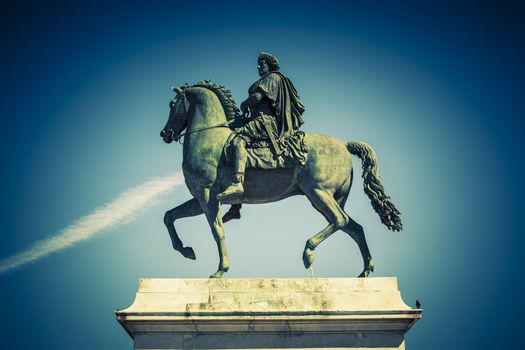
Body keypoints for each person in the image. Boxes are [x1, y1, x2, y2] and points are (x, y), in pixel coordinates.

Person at [217, 52, 306, 201]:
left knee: (238, 140)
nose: (259, 67)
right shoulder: (268, 79)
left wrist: (244, 104)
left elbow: (258, 97)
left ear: (269, 65)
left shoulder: (272, 77)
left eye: (261, 64)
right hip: (258, 120)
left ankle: (238, 182)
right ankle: (235, 205)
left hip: (265, 122)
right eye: (258, 64)